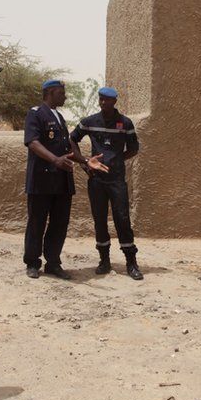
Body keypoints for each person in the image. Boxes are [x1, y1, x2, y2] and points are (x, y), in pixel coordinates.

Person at [22, 80, 99, 280]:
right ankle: (32, 262)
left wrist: (85, 162)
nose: (65, 97)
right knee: (37, 222)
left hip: (62, 181)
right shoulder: (36, 113)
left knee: (59, 223)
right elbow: (32, 142)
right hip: (42, 180)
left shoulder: (60, 118)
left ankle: (53, 263)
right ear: (49, 92)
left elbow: (67, 148)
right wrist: (55, 160)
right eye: (61, 93)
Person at [69, 86, 143, 279]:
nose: (103, 102)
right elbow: (71, 139)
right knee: (99, 220)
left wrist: (117, 160)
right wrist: (85, 163)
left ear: (114, 102)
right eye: (101, 99)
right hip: (96, 181)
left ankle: (131, 262)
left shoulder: (125, 123)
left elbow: (134, 148)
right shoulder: (90, 121)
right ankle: (104, 261)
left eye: (107, 100)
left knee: (122, 219)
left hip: (117, 180)